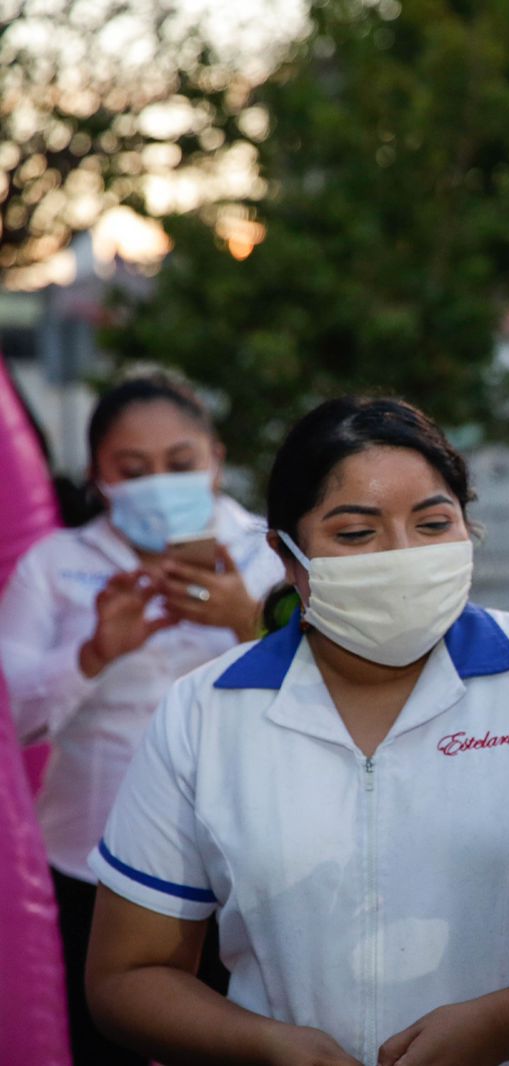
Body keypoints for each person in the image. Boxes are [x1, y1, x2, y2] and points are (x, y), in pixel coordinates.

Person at [83, 396, 509, 1066]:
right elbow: (128, 976)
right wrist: (268, 1046)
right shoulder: (205, 714)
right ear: (287, 557)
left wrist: (499, 1030)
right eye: (355, 534)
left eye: (433, 523)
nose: (402, 555)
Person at [0, 368, 283, 1065]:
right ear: (98, 476)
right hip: (89, 858)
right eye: (133, 468)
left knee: (242, 1040)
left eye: (180, 463)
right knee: (103, 1036)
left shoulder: (273, 556)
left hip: (245, 860)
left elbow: (337, 691)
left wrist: (248, 622)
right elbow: (9, 720)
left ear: (216, 461)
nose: (159, 482)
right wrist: (92, 654)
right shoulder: (54, 564)